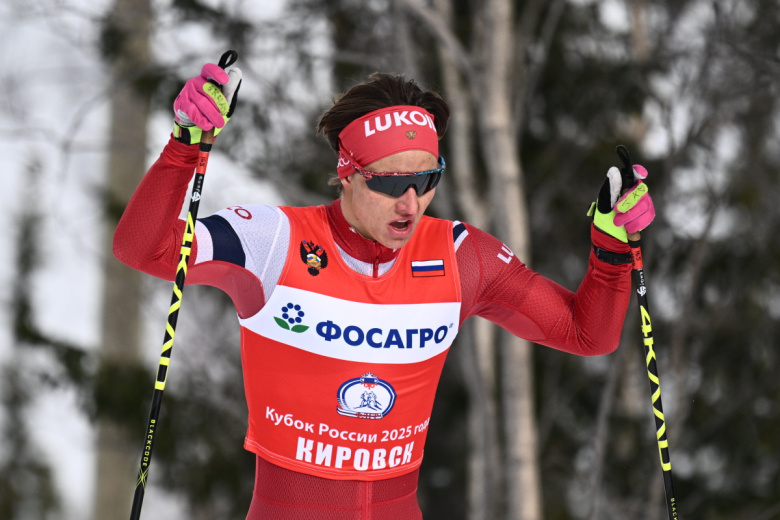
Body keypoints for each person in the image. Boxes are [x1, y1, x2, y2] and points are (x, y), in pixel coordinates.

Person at [114, 60, 654, 519]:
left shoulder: (462, 256)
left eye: (427, 179)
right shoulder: (273, 240)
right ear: (347, 172)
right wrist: (184, 147)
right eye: (391, 182)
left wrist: (611, 253)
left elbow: (589, 334)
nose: (410, 204)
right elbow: (144, 249)